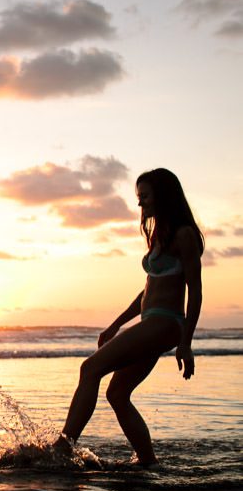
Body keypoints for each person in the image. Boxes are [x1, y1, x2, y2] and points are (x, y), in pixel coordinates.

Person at [55, 168, 203, 467]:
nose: (140, 205)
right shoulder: (161, 236)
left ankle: (62, 447)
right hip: (152, 322)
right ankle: (147, 461)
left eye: (144, 197)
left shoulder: (185, 235)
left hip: (165, 323)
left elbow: (196, 292)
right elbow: (148, 290)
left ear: (162, 196)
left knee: (90, 368)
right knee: (118, 393)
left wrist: (186, 343)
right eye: (139, 198)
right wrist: (116, 324)